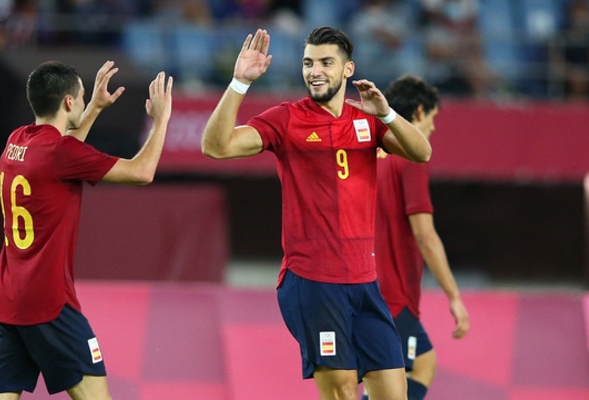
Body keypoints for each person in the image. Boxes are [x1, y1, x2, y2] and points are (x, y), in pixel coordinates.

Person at [201, 27, 432, 400]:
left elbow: (422, 153)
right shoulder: (286, 119)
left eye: (326, 62)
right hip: (313, 281)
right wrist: (239, 84)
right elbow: (215, 147)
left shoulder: (367, 120)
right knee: (341, 390)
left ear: (348, 70)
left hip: (364, 283)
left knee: (394, 392)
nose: (315, 71)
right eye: (308, 63)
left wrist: (386, 113)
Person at [0, 60, 173, 400]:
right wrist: (161, 120)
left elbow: (62, 154)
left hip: (6, 303)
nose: (86, 101)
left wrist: (96, 108)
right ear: (69, 103)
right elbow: (142, 172)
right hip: (49, 304)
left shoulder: (17, 141)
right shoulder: (61, 152)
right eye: (83, 97)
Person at [363, 76, 470, 400]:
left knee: (421, 363)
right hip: (393, 295)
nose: (434, 128)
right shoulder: (411, 156)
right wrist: (454, 295)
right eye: (434, 119)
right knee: (391, 385)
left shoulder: (372, 151)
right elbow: (424, 234)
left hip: (365, 287)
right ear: (420, 112)